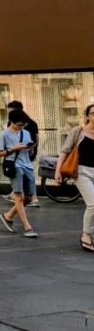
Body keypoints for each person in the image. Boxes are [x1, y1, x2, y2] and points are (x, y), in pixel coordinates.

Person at [57, 104, 94, 252]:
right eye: (93, 113)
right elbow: (64, 151)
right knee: (93, 204)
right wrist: (57, 172)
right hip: (82, 172)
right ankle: (86, 234)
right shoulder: (78, 131)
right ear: (87, 116)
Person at [0, 109, 38, 238]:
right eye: (19, 124)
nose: (21, 127)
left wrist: (30, 148)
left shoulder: (25, 133)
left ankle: (8, 215)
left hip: (27, 165)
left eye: (23, 125)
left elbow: (29, 151)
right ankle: (27, 226)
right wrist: (14, 149)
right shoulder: (4, 135)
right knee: (19, 197)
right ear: (12, 122)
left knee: (29, 198)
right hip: (14, 166)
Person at [3, 101, 40, 207]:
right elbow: (37, 138)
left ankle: (29, 197)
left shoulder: (13, 123)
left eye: (11, 111)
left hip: (18, 152)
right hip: (29, 150)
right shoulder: (32, 122)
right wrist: (34, 147)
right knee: (24, 174)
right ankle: (16, 194)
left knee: (21, 173)